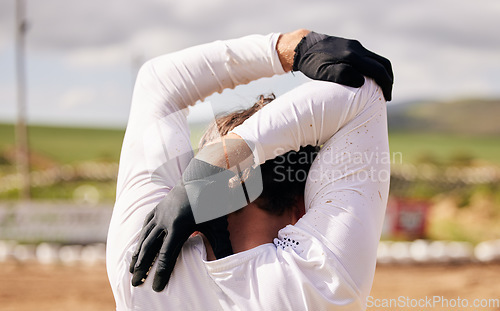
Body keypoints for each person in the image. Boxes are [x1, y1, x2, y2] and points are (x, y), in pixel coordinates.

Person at [106, 29, 393, 310]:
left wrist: (288, 47)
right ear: (302, 204)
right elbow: (364, 92)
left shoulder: (139, 267)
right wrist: (215, 164)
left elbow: (158, 80)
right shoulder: (321, 282)